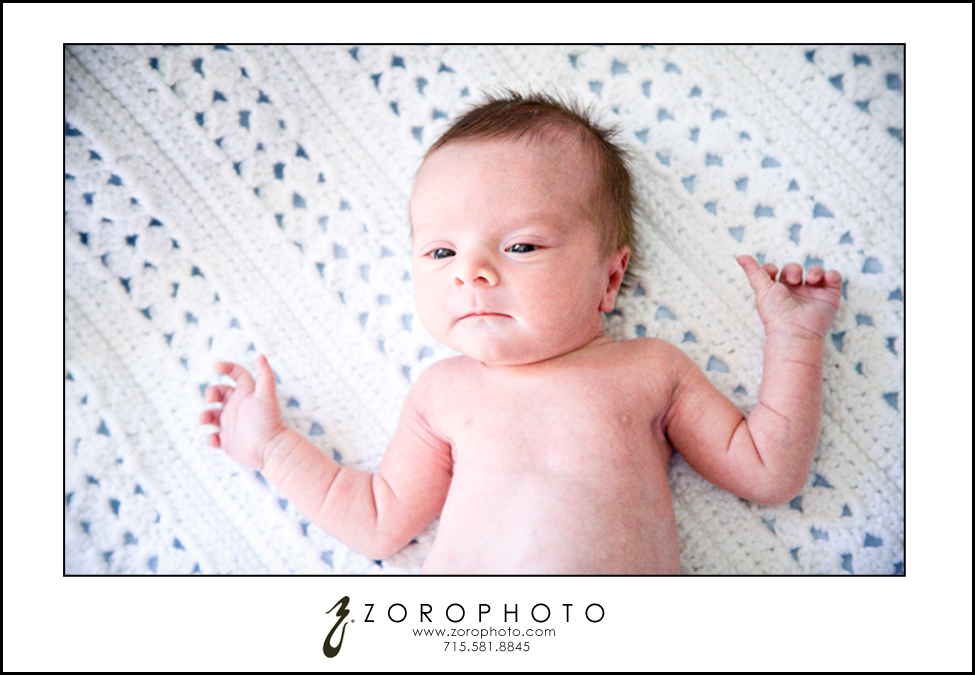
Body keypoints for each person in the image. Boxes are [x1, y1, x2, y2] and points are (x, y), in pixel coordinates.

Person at [199, 92, 843, 574]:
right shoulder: (442, 392)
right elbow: (376, 519)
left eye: (521, 245)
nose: (472, 272)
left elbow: (768, 471)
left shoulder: (650, 370)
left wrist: (795, 341)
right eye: (442, 253)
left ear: (609, 278)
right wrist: (273, 448)